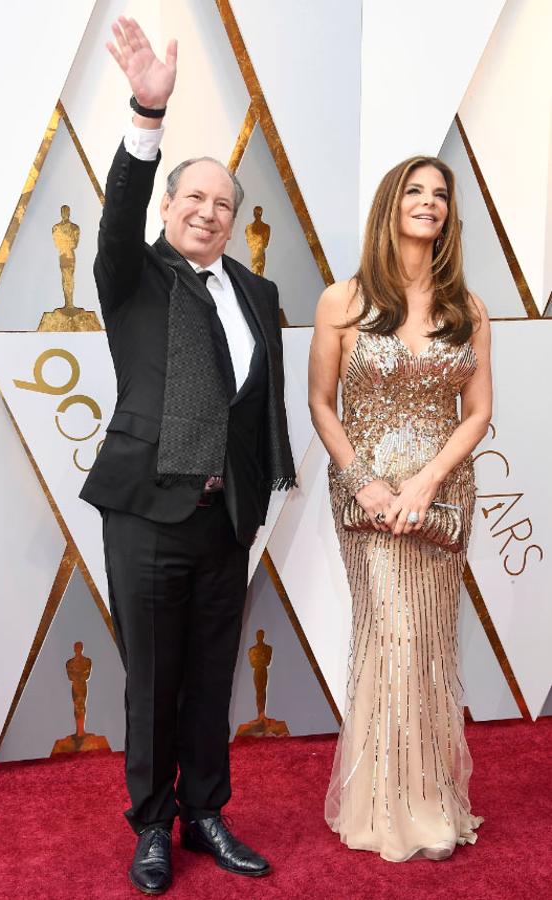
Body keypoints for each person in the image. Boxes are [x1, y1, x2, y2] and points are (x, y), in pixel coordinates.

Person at [80, 17, 295, 895]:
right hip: (147, 509)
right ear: (170, 209)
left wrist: (257, 491)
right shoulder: (131, 274)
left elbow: (255, 405)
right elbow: (120, 204)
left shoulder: (256, 290)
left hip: (225, 515)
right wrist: (146, 113)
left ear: (236, 222)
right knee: (152, 681)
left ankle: (207, 811)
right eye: (193, 200)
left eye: (224, 206)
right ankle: (153, 827)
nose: (209, 213)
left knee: (211, 671)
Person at [308, 155, 491, 862]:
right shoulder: (343, 300)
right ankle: (387, 808)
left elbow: (476, 413)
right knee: (394, 639)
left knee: (431, 642)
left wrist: (428, 483)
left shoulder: (466, 309)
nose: (429, 203)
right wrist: (366, 482)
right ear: (391, 206)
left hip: (443, 494)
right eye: (415, 192)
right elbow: (324, 404)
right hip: (368, 499)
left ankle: (428, 800)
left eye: (440, 195)